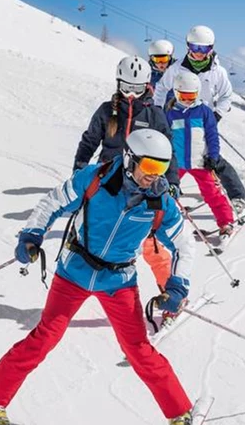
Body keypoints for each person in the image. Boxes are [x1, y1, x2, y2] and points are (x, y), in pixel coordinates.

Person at [0, 129, 197, 425]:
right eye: (150, 167)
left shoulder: (160, 203)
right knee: (44, 338)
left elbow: (184, 243)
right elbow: (53, 201)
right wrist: (32, 233)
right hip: (73, 272)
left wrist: (177, 284)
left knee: (139, 350)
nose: (154, 176)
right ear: (130, 158)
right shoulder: (95, 178)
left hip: (118, 281)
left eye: (162, 169)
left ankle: (180, 414)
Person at [73, 55, 178, 293]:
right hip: (107, 182)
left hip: (145, 185)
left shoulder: (155, 116)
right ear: (118, 83)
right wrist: (80, 168)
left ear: (147, 86)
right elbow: (89, 141)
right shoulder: (106, 111)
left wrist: (172, 181)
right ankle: (80, 287)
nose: (131, 94)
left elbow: (169, 152)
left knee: (152, 243)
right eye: (127, 88)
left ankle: (169, 292)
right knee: (93, 236)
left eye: (137, 89)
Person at [154, 25, 245, 215]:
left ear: (211, 49)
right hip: (181, 115)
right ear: (188, 46)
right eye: (194, 47)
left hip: (206, 118)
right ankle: (169, 192)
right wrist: (159, 112)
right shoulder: (177, 69)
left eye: (203, 49)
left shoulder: (218, 72)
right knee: (179, 157)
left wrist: (216, 115)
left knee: (212, 158)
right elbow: (161, 89)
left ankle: (238, 195)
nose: (198, 53)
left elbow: (226, 96)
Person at [165, 70, 236, 238]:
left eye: (192, 97)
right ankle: (159, 224)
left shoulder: (204, 111)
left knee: (212, 193)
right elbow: (165, 137)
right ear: (176, 93)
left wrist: (213, 156)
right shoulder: (169, 113)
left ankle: (225, 222)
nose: (188, 101)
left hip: (200, 163)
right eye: (184, 97)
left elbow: (212, 136)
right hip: (176, 164)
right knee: (166, 193)